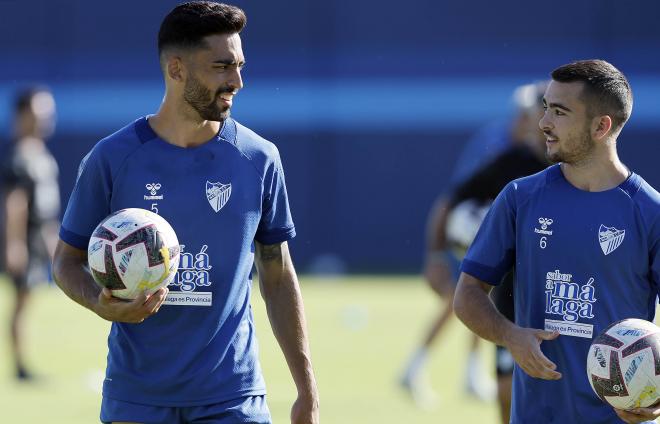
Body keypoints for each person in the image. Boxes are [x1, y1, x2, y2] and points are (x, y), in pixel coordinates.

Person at [51, 2, 319, 424]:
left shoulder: (259, 158)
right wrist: (99, 303)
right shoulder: (111, 158)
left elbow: (278, 275)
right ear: (176, 70)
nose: (238, 81)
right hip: (135, 399)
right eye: (222, 67)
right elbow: (65, 262)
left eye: (240, 66)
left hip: (232, 398)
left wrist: (307, 390)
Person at [453, 59, 660, 424]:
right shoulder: (519, 197)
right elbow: (468, 292)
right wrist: (510, 334)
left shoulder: (650, 212)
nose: (543, 123)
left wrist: (655, 396)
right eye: (545, 108)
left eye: (560, 112)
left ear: (601, 126)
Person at [400, 82, 549, 417]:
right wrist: (436, 255)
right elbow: (455, 197)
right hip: (482, 244)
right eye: (539, 111)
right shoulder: (504, 150)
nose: (543, 121)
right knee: (466, 298)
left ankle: (463, 371)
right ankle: (419, 366)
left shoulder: (578, 166)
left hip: (546, 285)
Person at [1, 87, 60, 381]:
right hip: (25, 239)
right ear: (23, 116)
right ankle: (20, 367)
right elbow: (15, 203)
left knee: (30, 301)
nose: (45, 119)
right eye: (38, 113)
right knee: (21, 302)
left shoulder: (42, 155)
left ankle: (24, 364)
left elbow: (46, 210)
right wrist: (14, 245)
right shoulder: (19, 157)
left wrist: (54, 243)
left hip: (39, 239)